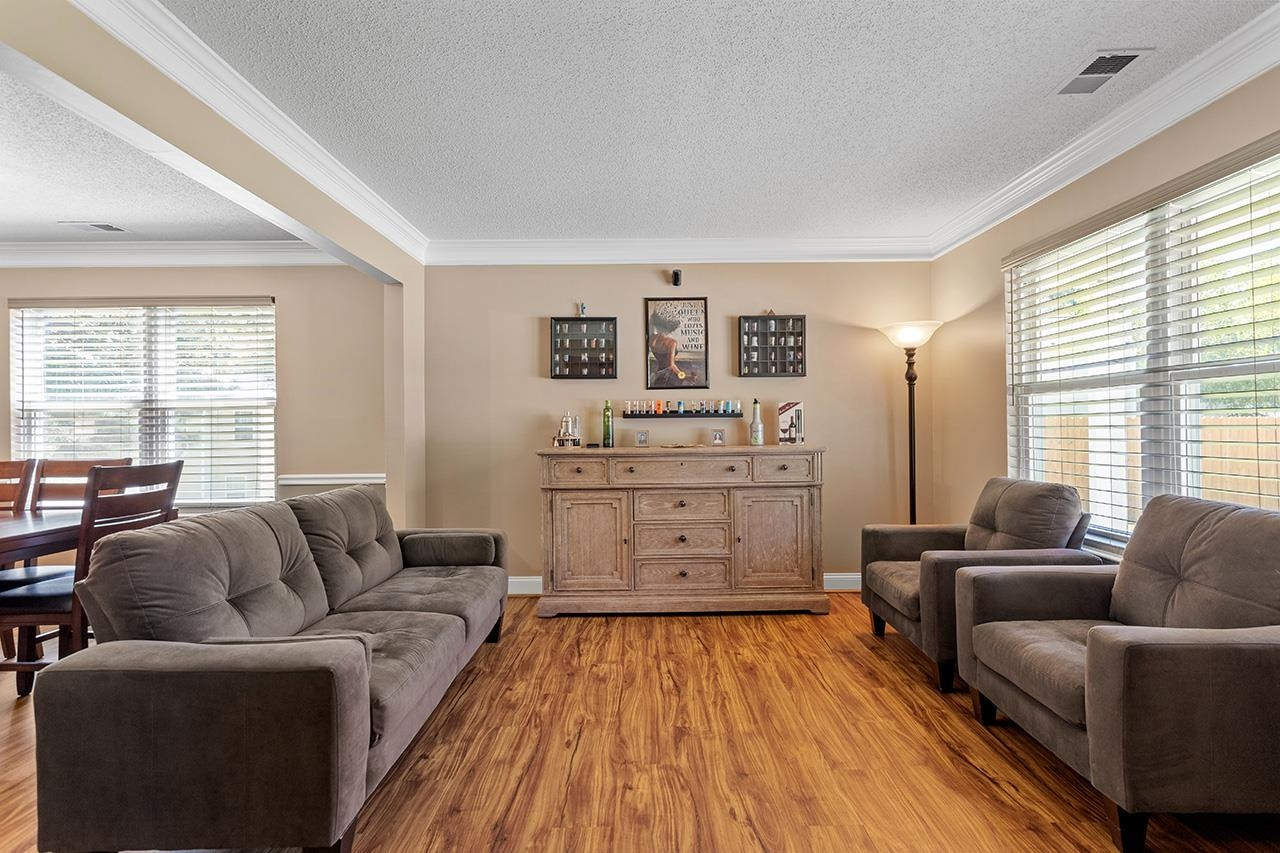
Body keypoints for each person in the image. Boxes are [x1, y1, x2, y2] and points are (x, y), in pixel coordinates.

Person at [649, 307, 701, 386]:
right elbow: (671, 366)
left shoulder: (652, 338)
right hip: (670, 376)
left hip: (658, 373)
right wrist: (684, 377)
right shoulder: (672, 343)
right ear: (670, 328)